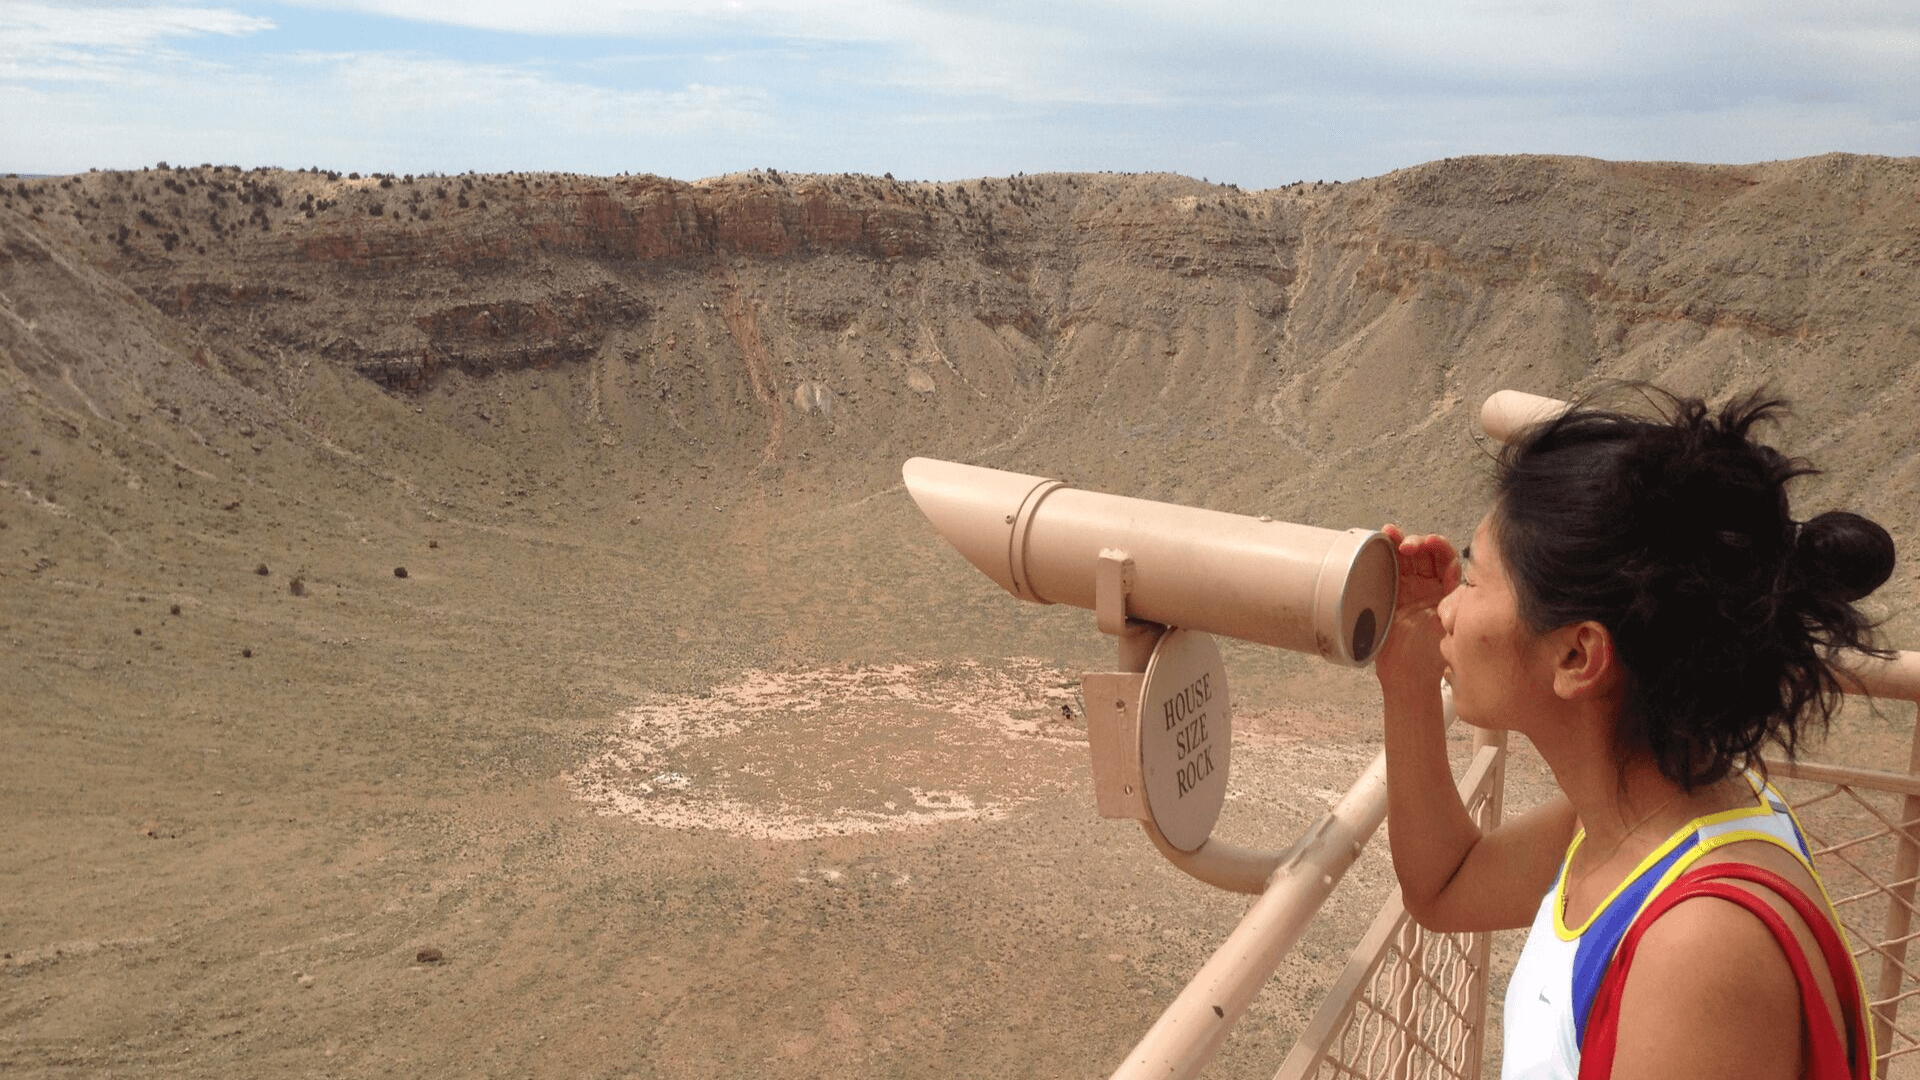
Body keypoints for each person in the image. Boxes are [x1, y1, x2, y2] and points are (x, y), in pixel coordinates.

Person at [1375, 390, 1896, 1080]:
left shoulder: (1699, 949)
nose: (1448, 608)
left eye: (1472, 580)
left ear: (1577, 656)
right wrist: (1407, 674)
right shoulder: (1638, 813)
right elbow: (1447, 885)